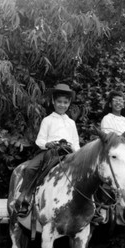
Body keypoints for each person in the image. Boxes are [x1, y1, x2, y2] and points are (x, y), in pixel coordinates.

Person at [15, 84, 80, 216]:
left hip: (68, 152)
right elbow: (40, 141)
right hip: (51, 151)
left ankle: (88, 205)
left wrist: (79, 155)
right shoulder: (48, 120)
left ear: (69, 104)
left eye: (65, 102)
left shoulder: (71, 122)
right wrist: (48, 144)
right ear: (53, 102)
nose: (62, 105)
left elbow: (75, 142)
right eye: (59, 102)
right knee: (31, 168)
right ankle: (25, 197)